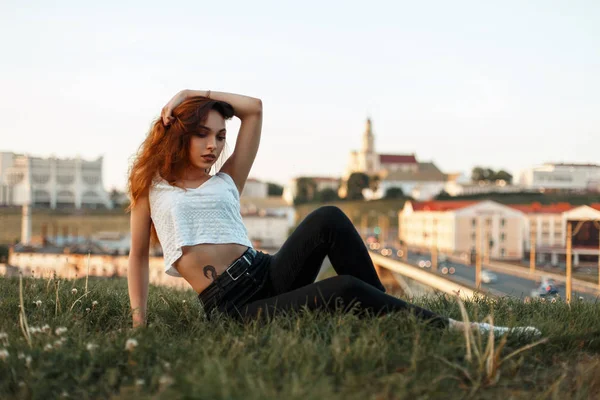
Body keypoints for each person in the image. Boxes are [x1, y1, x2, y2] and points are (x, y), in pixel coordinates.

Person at [126, 89, 540, 338]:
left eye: (220, 136)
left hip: (266, 272)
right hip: (231, 307)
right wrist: (139, 322)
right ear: (178, 132)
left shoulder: (226, 179)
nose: (213, 146)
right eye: (202, 134)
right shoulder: (152, 189)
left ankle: (387, 317)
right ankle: (457, 330)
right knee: (341, 289)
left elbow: (254, 109)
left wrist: (190, 92)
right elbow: (138, 257)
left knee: (328, 217)